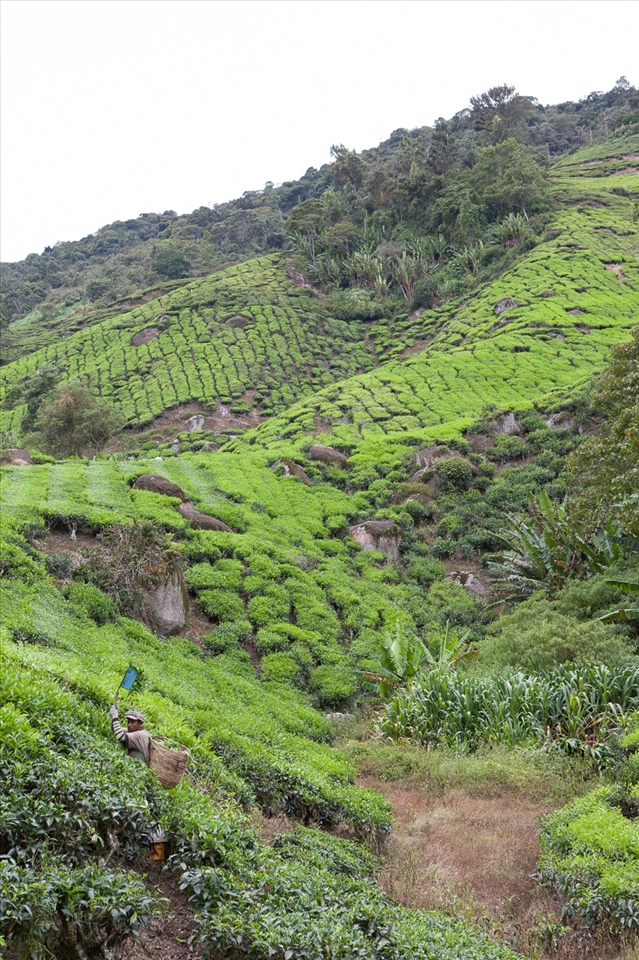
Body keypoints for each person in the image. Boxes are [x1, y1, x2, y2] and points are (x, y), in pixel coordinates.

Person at [109, 694, 166, 861]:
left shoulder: (140, 735)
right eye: (128, 721)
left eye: (133, 722)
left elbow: (120, 735)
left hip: (140, 777)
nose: (129, 724)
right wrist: (115, 715)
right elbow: (120, 730)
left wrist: (114, 717)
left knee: (144, 811)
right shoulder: (138, 732)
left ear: (140, 723)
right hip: (138, 776)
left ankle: (153, 849)